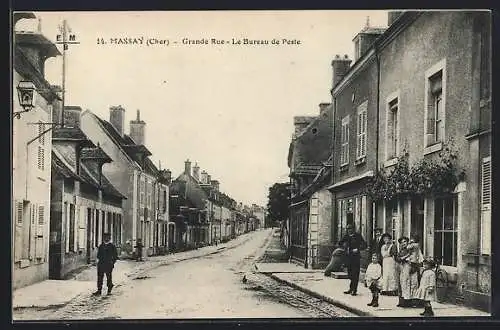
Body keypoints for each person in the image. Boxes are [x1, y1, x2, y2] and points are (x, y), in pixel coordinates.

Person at [339, 223, 367, 296]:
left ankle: (354, 290)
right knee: (350, 274)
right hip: (348, 258)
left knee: (355, 274)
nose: (349, 230)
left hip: (356, 258)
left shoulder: (358, 236)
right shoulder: (346, 236)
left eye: (350, 228)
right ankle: (351, 288)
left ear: (353, 229)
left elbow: (364, 245)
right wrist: (344, 246)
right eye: (348, 229)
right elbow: (339, 243)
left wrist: (357, 249)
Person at [395, 236, 419, 307]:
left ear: (407, 242)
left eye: (404, 241)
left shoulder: (412, 249)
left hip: (412, 269)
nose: (403, 243)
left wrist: (413, 266)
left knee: (412, 285)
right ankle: (404, 301)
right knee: (404, 284)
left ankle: (411, 302)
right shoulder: (402, 251)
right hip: (403, 269)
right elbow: (398, 259)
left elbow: (415, 258)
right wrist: (404, 257)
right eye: (401, 242)